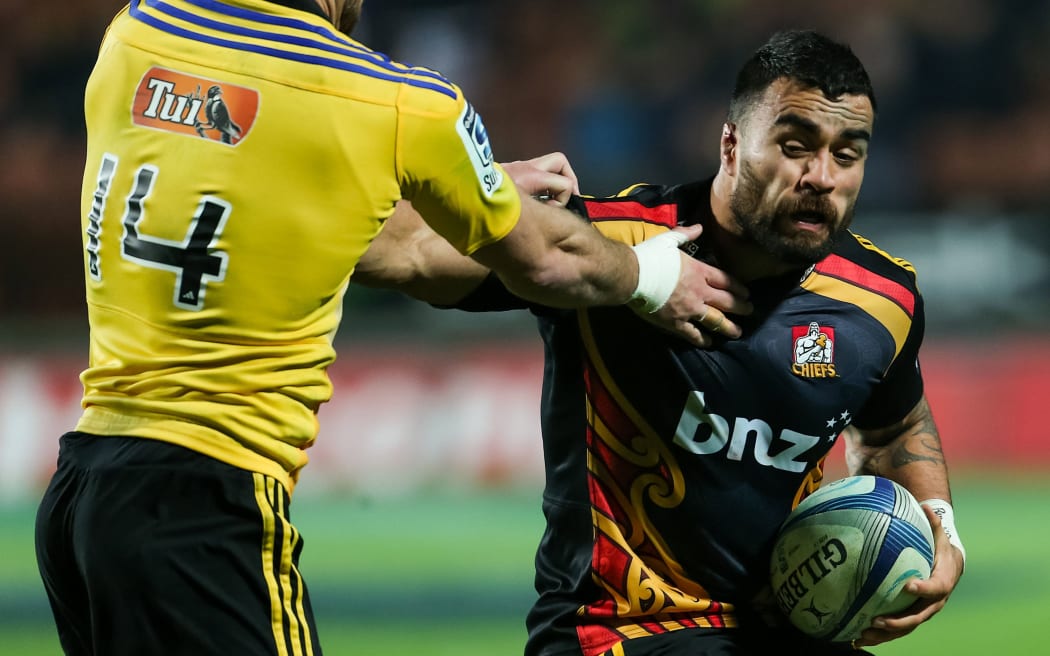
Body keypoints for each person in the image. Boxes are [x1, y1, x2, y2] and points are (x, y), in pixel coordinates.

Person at [33, 1, 753, 655]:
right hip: (206, 502)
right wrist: (652, 279)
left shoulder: (138, 33)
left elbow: (368, 236)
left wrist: (481, 185)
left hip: (82, 496)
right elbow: (547, 259)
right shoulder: (396, 100)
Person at [354, 29, 965, 656]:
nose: (821, 177)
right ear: (731, 144)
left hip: (779, 629)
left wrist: (941, 526)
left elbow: (892, 429)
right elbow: (395, 250)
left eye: (847, 154)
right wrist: (492, 195)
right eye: (794, 146)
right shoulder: (608, 243)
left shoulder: (881, 301)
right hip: (616, 634)